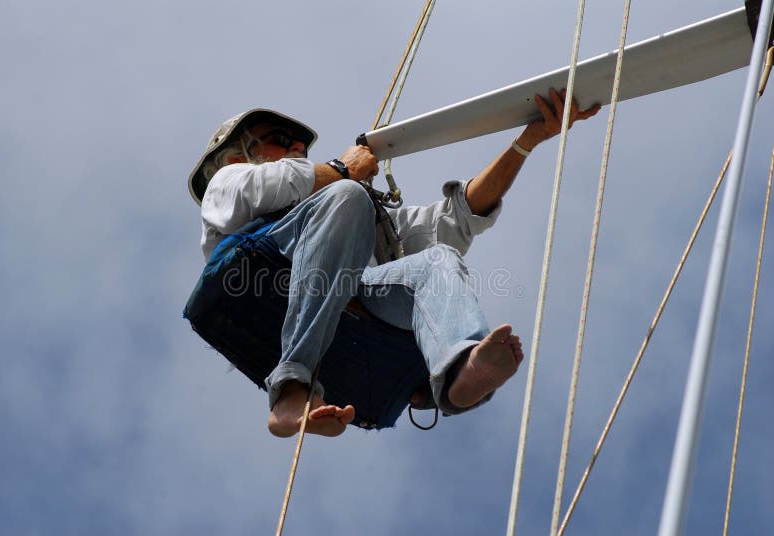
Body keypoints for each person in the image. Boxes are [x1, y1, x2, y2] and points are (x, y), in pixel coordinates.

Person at [186, 89, 600, 438]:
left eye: (300, 145)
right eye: (279, 138)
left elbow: (455, 220)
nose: (297, 147)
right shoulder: (227, 184)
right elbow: (277, 185)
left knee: (438, 259)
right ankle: (293, 386)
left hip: (354, 293)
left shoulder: (345, 204)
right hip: (264, 279)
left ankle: (458, 370)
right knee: (345, 197)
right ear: (235, 156)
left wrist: (527, 140)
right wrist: (342, 171)